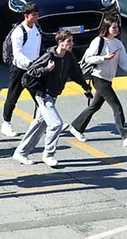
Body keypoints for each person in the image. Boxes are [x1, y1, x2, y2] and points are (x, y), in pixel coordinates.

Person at [13, 30, 93, 168]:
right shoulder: (49, 56)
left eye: (72, 41)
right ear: (60, 42)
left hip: (53, 95)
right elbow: (31, 71)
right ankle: (48, 155)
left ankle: (20, 152)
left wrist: (85, 87)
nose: (71, 44)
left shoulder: (68, 56)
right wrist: (47, 70)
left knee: (39, 124)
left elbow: (76, 73)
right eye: (68, 41)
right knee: (56, 124)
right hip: (43, 95)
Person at [66, 16, 127, 147]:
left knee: (95, 106)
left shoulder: (118, 44)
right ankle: (126, 136)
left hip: (108, 79)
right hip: (98, 77)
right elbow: (88, 59)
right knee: (116, 106)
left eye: (117, 27)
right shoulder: (99, 41)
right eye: (113, 27)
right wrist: (103, 58)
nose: (116, 29)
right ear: (106, 28)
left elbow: (125, 61)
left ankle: (76, 127)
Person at [2, 2, 42, 137]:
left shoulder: (36, 28)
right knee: (13, 96)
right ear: (26, 16)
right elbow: (17, 53)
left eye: (37, 14)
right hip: (19, 69)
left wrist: (37, 64)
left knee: (40, 97)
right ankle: (6, 123)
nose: (37, 17)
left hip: (33, 69)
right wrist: (29, 64)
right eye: (34, 15)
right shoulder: (19, 32)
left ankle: (39, 122)